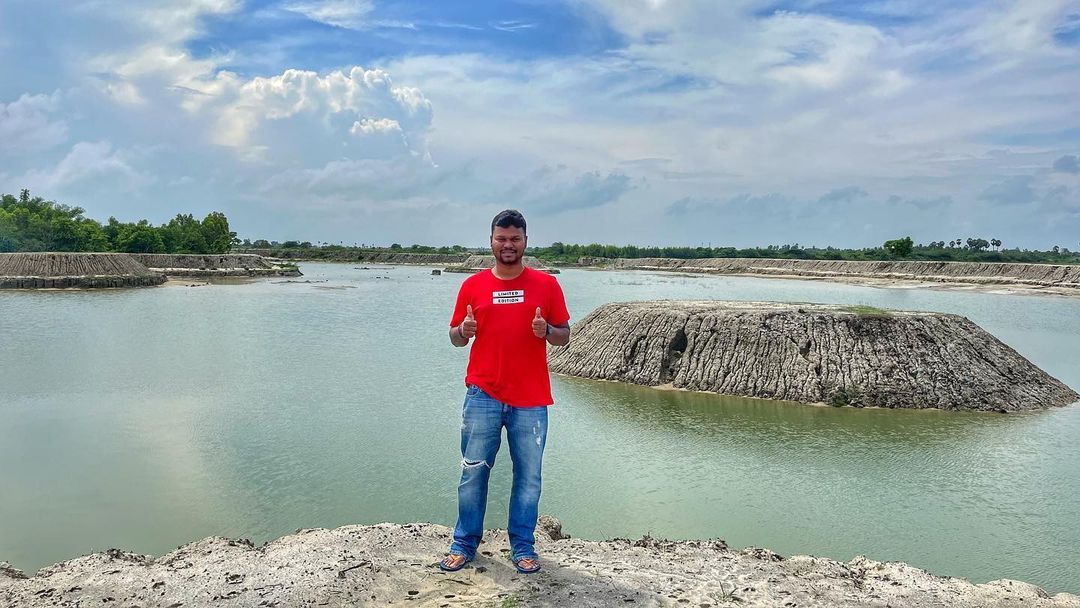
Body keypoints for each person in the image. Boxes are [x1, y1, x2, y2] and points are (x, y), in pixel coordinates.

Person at [439, 209, 571, 575]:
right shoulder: (472, 285)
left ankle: (523, 545)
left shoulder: (547, 285)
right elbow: (453, 338)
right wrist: (463, 331)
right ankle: (464, 543)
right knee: (473, 471)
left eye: (515, 238)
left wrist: (547, 332)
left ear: (526, 241)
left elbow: (565, 335)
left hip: (530, 399)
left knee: (528, 477)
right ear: (491, 241)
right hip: (482, 394)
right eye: (501, 238)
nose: (508, 244)